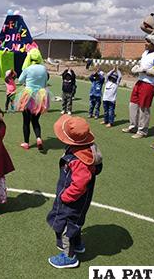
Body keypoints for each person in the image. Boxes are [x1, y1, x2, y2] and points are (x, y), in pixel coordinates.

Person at [47, 115, 103, 268]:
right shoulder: (86, 149)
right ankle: (77, 244)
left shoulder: (79, 160)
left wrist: (66, 196)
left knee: (67, 224)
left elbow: (80, 182)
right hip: (81, 199)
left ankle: (69, 256)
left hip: (73, 199)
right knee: (76, 221)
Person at [122, 39, 154, 138]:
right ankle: (133, 126)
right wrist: (136, 67)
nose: (145, 43)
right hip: (139, 82)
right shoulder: (145, 52)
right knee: (133, 104)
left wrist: (145, 70)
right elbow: (141, 63)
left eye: (148, 42)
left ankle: (142, 131)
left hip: (149, 84)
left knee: (144, 108)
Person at [15, 50, 50, 150]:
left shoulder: (28, 68)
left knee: (26, 121)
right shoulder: (44, 69)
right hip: (40, 96)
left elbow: (20, 80)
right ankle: (38, 138)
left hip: (28, 96)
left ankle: (26, 143)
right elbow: (46, 80)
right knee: (35, 120)